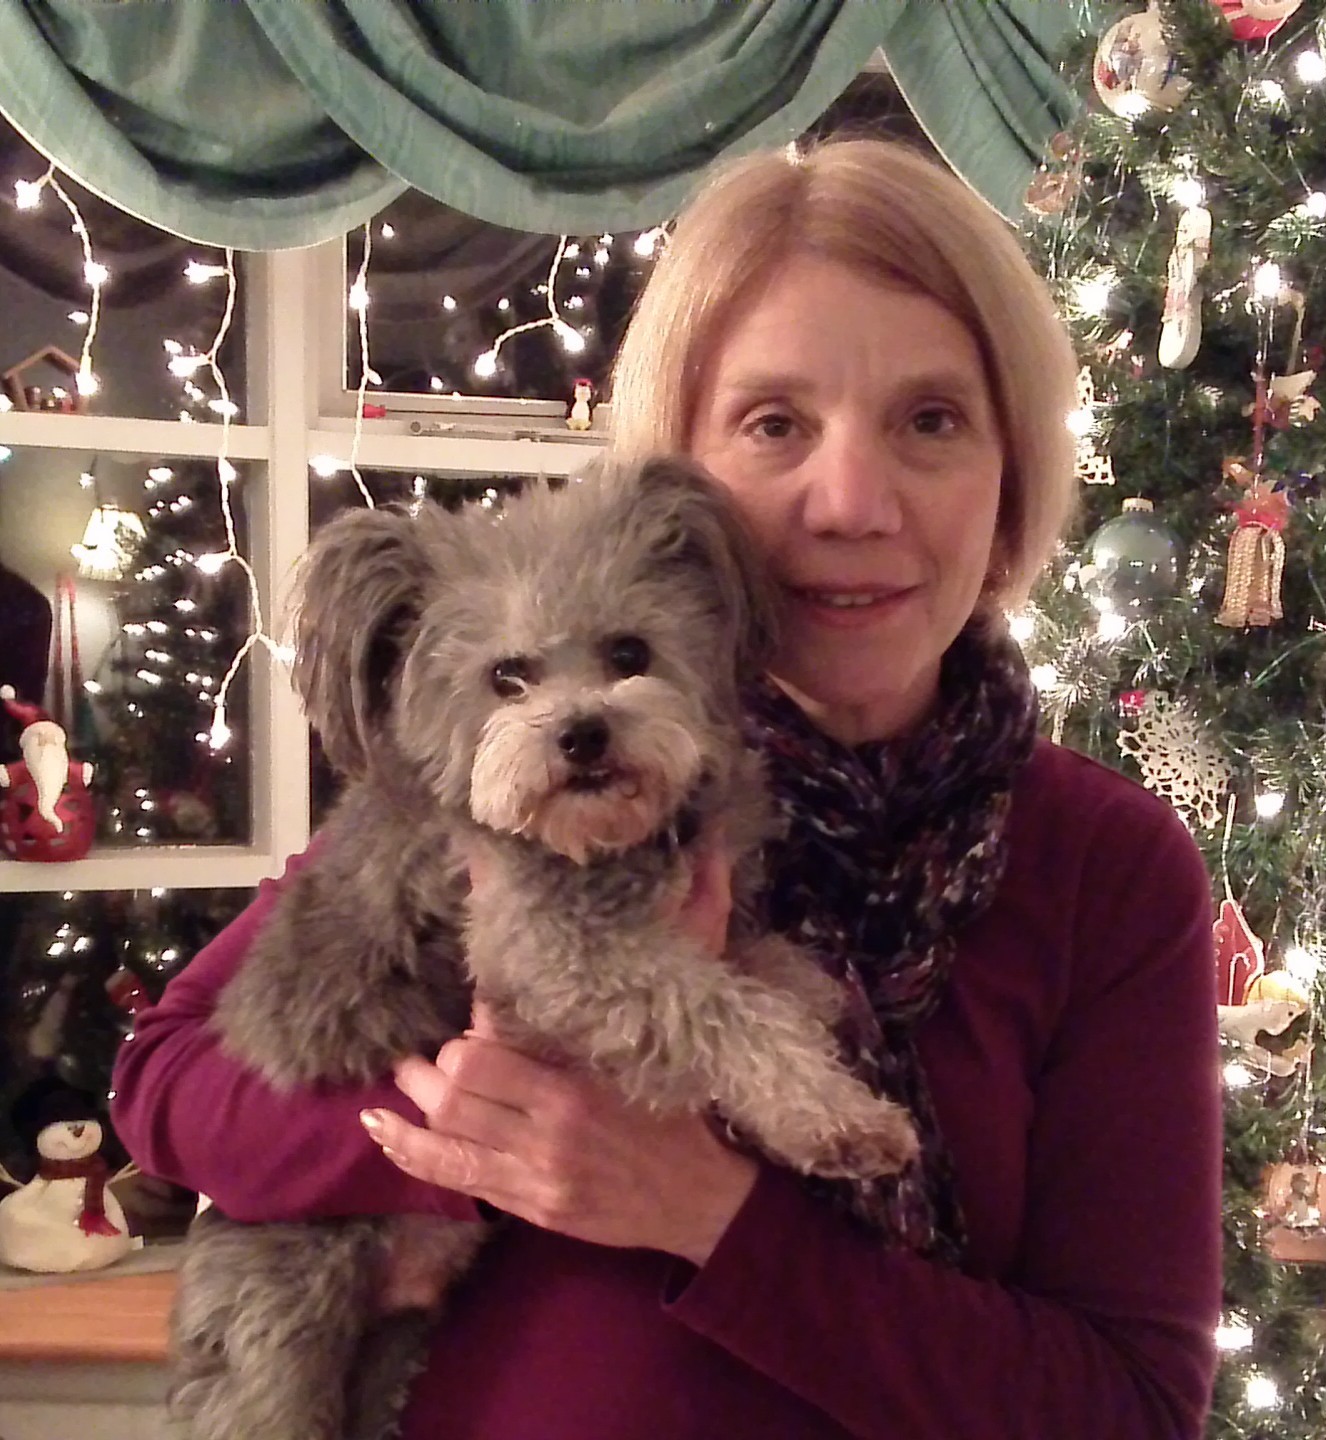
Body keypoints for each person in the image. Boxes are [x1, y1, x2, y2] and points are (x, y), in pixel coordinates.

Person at [111, 136, 1223, 1439]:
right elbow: (164, 1087)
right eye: (775, 424)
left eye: (931, 420)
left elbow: (1131, 1411)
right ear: (676, 477)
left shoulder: (1104, 867)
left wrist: (707, 1215)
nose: (851, 501)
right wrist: (480, 1130)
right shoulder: (484, 797)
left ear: (1013, 472)